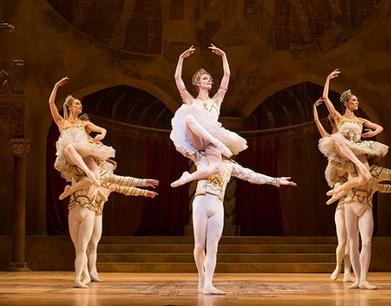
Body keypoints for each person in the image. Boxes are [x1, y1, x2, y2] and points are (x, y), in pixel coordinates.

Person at [191, 152, 296, 294]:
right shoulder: (202, 157)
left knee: (213, 247)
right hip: (201, 201)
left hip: (217, 204)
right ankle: (201, 276)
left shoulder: (230, 165)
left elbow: (251, 175)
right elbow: (183, 146)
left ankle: (209, 284)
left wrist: (275, 180)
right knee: (199, 246)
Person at [66, 160, 158, 288]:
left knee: (93, 244)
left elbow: (126, 187)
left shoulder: (110, 183)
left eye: (112, 169)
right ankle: (84, 273)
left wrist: (144, 191)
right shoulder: (88, 176)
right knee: (82, 246)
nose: (110, 170)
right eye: (107, 167)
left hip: (96, 213)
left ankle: (92, 271)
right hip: (84, 210)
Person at [169, 44, 247, 188]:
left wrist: (224, 56)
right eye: (206, 79)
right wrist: (181, 58)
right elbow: (178, 79)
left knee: (216, 168)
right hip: (199, 139)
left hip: (211, 141)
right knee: (189, 118)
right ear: (198, 83)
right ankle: (216, 143)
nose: (209, 80)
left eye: (210, 79)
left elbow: (227, 77)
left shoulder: (216, 101)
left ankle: (188, 177)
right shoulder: (191, 100)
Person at [318, 69, 388, 204]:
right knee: (338, 138)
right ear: (347, 103)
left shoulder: (360, 120)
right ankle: (356, 166)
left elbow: (379, 127)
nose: (357, 102)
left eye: (357, 100)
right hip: (343, 148)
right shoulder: (339, 118)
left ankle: (339, 191)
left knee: (366, 178)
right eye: (354, 100)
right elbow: (326, 98)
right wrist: (328, 79)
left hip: (356, 147)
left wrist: (374, 132)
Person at [48, 77, 115, 194]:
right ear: (70, 107)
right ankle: (87, 172)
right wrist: (56, 86)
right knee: (69, 147)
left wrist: (102, 135)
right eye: (77, 104)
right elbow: (51, 103)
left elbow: (102, 129)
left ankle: (71, 189)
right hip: (69, 154)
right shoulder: (62, 122)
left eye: (81, 104)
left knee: (96, 176)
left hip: (82, 153)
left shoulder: (84, 123)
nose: (81, 106)